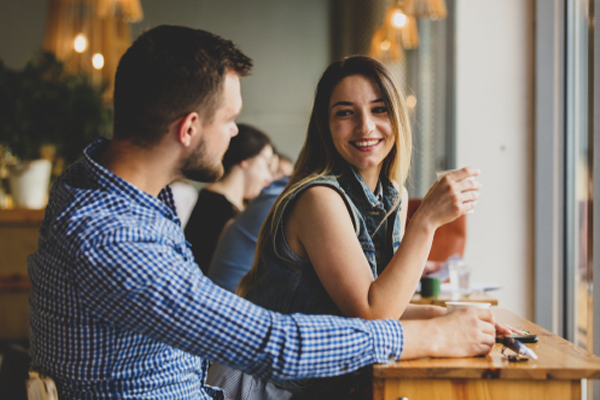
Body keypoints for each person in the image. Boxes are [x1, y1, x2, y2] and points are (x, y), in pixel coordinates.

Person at [27, 26, 497, 400]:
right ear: (190, 128)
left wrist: (441, 322)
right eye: (229, 119)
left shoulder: (106, 192)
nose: (236, 133)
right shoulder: (115, 237)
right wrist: (433, 339)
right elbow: (276, 344)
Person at [220, 55, 514, 400]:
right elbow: (374, 316)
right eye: (345, 113)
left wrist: (455, 318)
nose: (365, 127)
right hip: (267, 387)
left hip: (318, 383)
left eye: (379, 109)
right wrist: (427, 220)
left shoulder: (393, 196)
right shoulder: (319, 198)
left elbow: (385, 303)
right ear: (324, 126)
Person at [185, 123, 275, 273]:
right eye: (267, 164)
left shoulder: (234, 204)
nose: (269, 178)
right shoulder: (214, 207)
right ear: (245, 159)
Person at [207, 175, 289, 292]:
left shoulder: (275, 194)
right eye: (268, 164)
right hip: (228, 297)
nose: (269, 177)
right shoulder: (280, 199)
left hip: (224, 292)